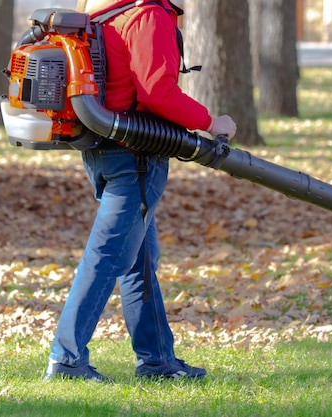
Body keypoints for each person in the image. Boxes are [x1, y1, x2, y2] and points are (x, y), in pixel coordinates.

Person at [43, 0, 237, 382]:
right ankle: (66, 360)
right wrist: (212, 122)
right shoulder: (147, 13)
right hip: (136, 157)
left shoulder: (100, 7)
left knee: (140, 260)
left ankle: (158, 361)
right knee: (108, 257)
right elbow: (156, 92)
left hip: (102, 150)